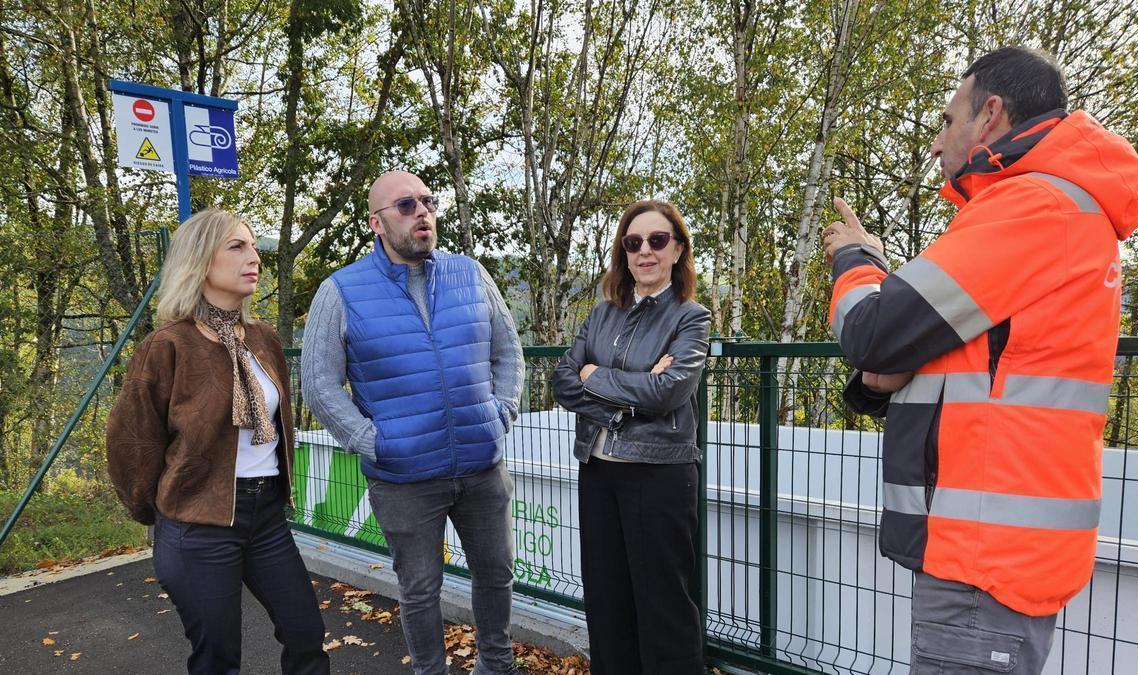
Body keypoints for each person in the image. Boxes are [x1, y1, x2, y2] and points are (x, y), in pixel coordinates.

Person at [822, 46, 1138, 674]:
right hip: (993, 553)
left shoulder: (1032, 208)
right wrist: (883, 375)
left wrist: (857, 259)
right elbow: (960, 361)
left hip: (984, 560)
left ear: (990, 114)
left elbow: (872, 333)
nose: (937, 141)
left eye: (948, 120)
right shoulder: (1051, 207)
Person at [301, 171, 524, 675]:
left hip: (482, 467)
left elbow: (508, 351)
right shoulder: (341, 291)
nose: (422, 212)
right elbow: (318, 384)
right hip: (403, 478)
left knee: (497, 576)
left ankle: (497, 666)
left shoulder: (471, 274)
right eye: (406, 205)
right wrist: (372, 441)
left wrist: (500, 413)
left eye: (428, 201)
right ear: (376, 223)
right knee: (420, 590)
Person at [106, 208, 329, 674]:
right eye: (237, 247)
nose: (255, 257)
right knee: (218, 657)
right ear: (201, 259)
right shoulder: (167, 345)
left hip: (266, 516)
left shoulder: (263, 338)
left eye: (253, 246)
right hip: (197, 523)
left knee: (306, 633)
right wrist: (162, 517)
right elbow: (132, 442)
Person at [551, 200, 711, 674]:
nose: (645, 251)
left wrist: (595, 375)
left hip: (659, 474)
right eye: (633, 241)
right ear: (623, 251)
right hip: (598, 470)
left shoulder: (691, 317)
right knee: (606, 602)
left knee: (663, 608)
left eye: (657, 240)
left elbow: (668, 392)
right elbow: (562, 381)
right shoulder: (602, 314)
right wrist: (626, 399)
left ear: (678, 250)